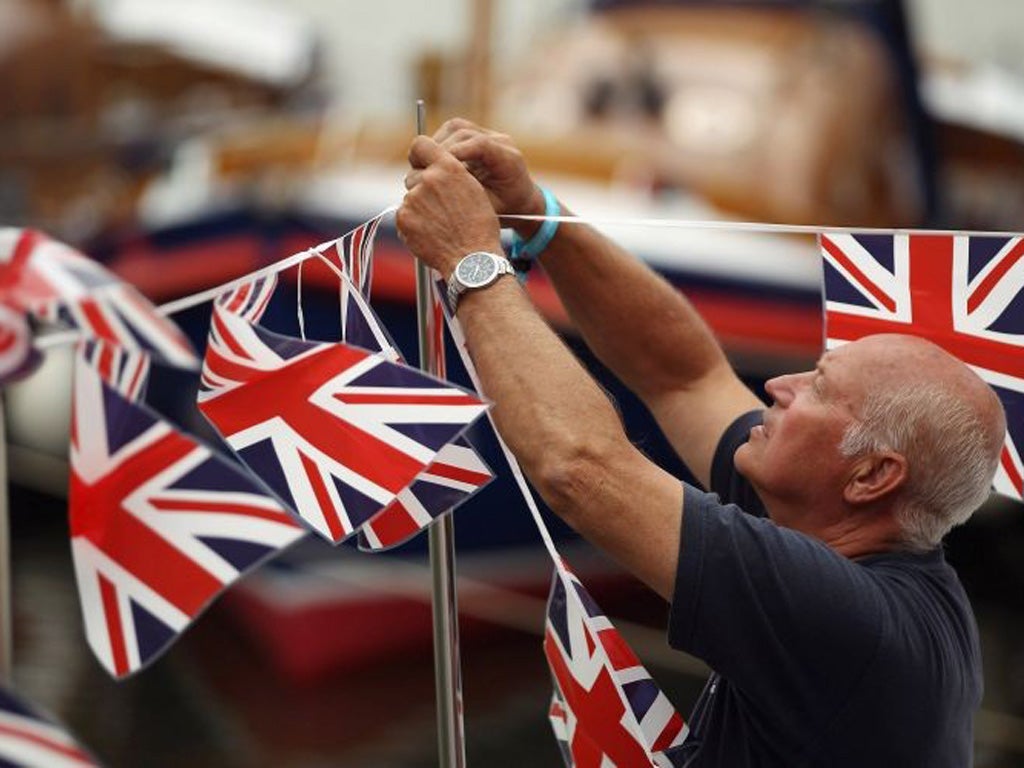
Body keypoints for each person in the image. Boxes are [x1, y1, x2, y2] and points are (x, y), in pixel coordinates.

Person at [395, 118, 1007, 767]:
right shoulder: (849, 528)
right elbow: (685, 376)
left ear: (871, 476)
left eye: (819, 389)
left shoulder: (842, 618)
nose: (777, 384)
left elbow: (581, 470)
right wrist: (537, 213)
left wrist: (472, 263)